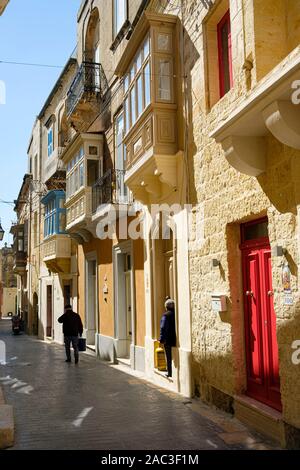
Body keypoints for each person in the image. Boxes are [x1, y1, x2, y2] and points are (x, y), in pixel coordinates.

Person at [159, 298, 176, 378]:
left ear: (166, 307)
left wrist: (161, 340)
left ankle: (170, 372)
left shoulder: (165, 315)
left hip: (168, 339)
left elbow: (163, 327)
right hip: (175, 339)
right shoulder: (176, 314)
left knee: (168, 357)